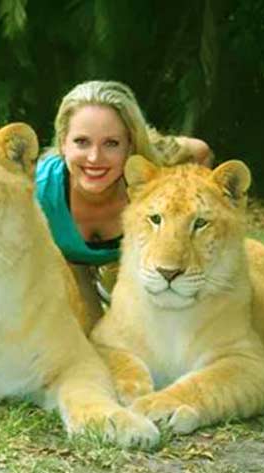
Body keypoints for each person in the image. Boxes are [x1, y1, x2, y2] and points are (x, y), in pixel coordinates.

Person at [35, 80, 213, 327]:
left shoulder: (154, 178)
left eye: (111, 143)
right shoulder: (36, 190)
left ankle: (114, 276)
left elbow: (200, 150)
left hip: (128, 260)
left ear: (130, 145)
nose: (94, 158)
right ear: (63, 143)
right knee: (88, 335)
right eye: (81, 142)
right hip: (69, 263)